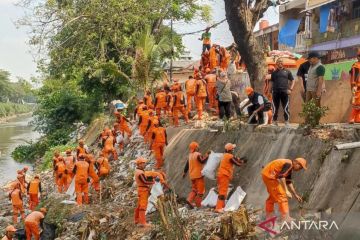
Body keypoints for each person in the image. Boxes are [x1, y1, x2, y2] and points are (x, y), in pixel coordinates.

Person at [215, 143, 246, 213]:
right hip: (224, 175)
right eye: (233, 149)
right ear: (231, 150)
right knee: (222, 192)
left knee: (223, 191)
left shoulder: (225, 155)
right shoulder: (229, 156)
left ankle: (221, 206)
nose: (233, 150)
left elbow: (234, 159)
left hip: (221, 175)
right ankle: (218, 208)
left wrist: (238, 159)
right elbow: (237, 163)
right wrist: (242, 162)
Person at [182, 142, 210, 208]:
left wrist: (184, 172)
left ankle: (189, 200)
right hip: (198, 176)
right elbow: (202, 161)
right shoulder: (197, 154)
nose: (198, 148)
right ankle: (198, 206)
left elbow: (187, 165)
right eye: (197, 147)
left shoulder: (190, 155)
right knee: (200, 192)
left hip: (192, 176)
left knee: (194, 190)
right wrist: (207, 155)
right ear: (196, 147)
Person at [269, 58, 295, 126]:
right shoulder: (274, 73)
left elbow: (293, 80)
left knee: (286, 108)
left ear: (283, 63)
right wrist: (269, 91)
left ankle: (286, 121)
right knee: (275, 108)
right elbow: (271, 82)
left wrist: (290, 89)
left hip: (285, 92)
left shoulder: (287, 71)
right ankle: (274, 121)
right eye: (278, 62)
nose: (280, 63)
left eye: (281, 62)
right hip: (275, 92)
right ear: (276, 64)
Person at [134, 157, 155, 227]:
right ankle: (143, 222)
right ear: (139, 164)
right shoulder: (140, 173)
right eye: (143, 163)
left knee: (139, 205)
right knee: (143, 206)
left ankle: (137, 220)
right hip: (143, 190)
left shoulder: (139, 171)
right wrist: (153, 181)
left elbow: (145, 179)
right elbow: (145, 181)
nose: (144, 164)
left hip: (141, 189)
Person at [349, 50, 360, 123]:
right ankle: (352, 119)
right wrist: (353, 86)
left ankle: (358, 119)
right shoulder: (355, 65)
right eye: (359, 56)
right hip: (357, 87)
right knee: (356, 103)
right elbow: (352, 77)